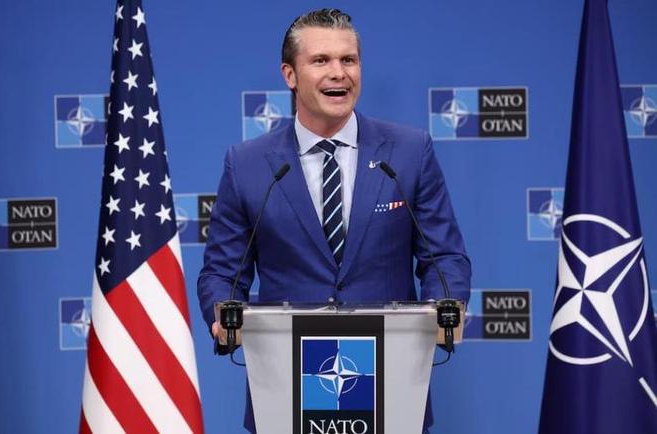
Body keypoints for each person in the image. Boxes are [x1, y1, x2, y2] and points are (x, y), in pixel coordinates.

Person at [198, 8, 471, 433]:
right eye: (321, 60)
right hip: (286, 387)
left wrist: (445, 305)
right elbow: (223, 270)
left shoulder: (409, 153)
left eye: (349, 60)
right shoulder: (247, 164)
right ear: (290, 74)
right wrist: (222, 313)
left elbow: (443, 256)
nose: (338, 73)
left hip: (391, 383)